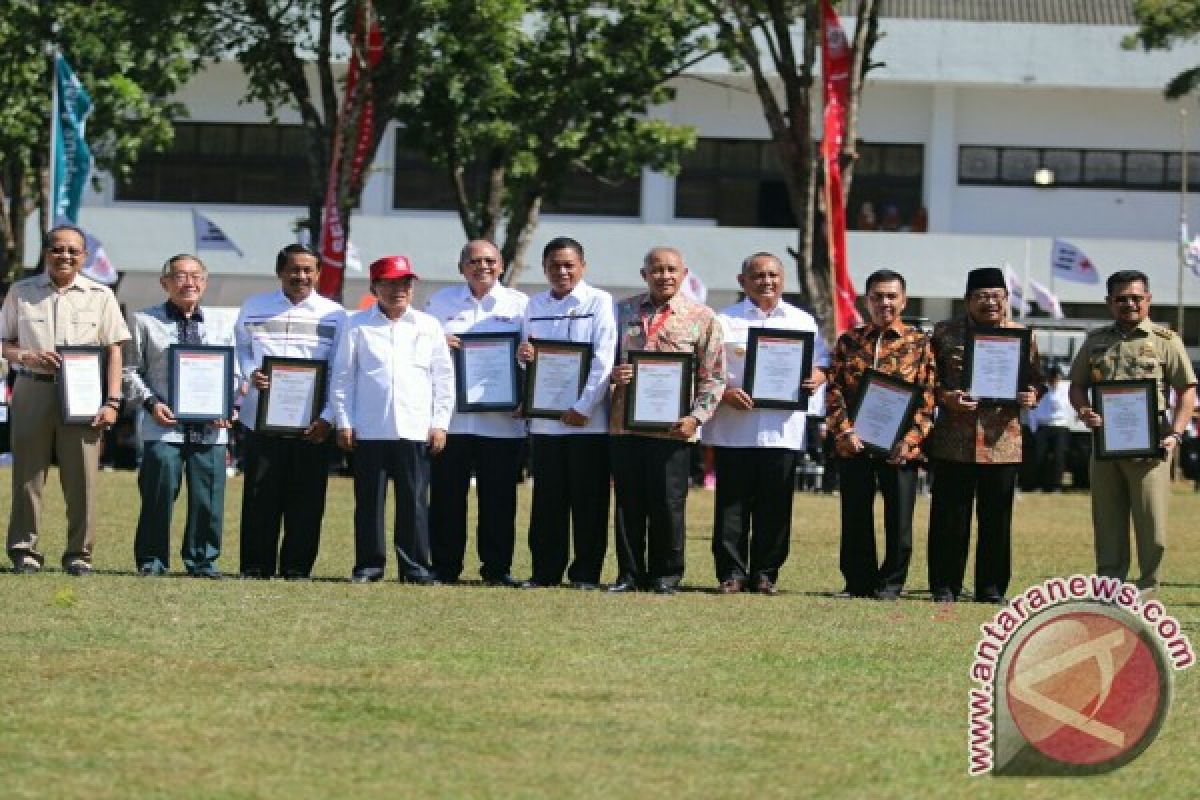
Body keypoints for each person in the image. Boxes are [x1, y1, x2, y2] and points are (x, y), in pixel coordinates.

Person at [1, 224, 130, 575]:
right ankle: (23, 551)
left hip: (85, 396)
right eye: (58, 249)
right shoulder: (21, 292)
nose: (65, 256)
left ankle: (78, 554)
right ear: (46, 253)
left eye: (73, 250)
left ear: (84, 256)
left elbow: (115, 349)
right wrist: (28, 357)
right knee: (27, 475)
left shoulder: (100, 296)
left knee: (83, 479)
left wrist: (113, 401)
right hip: (32, 388)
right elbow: (4, 344)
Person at [701, 252, 825, 595]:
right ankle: (731, 573)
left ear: (783, 279)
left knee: (775, 507)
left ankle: (766, 574)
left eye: (772, 275)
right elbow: (706, 367)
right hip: (733, 428)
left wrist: (816, 377)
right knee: (731, 506)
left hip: (781, 429)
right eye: (757, 276)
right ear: (742, 282)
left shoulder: (803, 321)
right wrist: (725, 391)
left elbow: (822, 363)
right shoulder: (723, 320)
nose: (766, 281)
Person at [1068, 270, 1197, 591]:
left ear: (1148, 300)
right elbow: (1077, 385)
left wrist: (1176, 433)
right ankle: (1110, 587)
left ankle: (1147, 586)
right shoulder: (1095, 341)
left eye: (1136, 298)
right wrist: (1084, 411)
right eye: (1121, 298)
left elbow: (1187, 391)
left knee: (1152, 524)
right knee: (1107, 521)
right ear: (1109, 302)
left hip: (1152, 444)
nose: (1129, 304)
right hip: (1105, 444)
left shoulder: (1167, 342)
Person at [609, 246, 725, 595]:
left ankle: (666, 575)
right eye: (656, 270)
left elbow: (714, 377)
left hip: (674, 429)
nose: (665, 276)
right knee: (628, 503)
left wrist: (696, 417)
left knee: (668, 505)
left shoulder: (702, 318)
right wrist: (613, 375)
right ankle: (629, 574)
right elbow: (601, 363)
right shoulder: (622, 311)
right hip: (625, 425)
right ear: (644, 275)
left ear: (684, 273)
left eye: (672, 270)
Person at [332, 256, 454, 584]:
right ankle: (369, 566)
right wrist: (344, 421)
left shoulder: (428, 326)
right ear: (375, 287)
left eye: (404, 283)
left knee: (414, 501)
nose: (398, 290)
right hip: (370, 427)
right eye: (389, 283)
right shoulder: (355, 324)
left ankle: (414, 567)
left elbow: (443, 378)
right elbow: (342, 377)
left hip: (415, 428)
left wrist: (440, 422)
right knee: (369, 503)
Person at [926, 267, 1042, 603]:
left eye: (996, 296)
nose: (989, 303)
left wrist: (1032, 395)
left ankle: (991, 589)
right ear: (967, 300)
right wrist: (947, 397)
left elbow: (1036, 380)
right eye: (981, 296)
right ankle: (944, 586)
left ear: (1006, 300)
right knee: (950, 517)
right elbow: (928, 381)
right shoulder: (944, 334)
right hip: (954, 439)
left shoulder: (1023, 336)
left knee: (996, 520)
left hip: (1002, 442)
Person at [234, 243, 346, 580]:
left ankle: (297, 568)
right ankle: (255, 566)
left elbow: (340, 369)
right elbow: (239, 351)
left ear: (317, 273)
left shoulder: (335, 314)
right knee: (259, 495)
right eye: (294, 269)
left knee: (308, 499)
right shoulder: (254, 307)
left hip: (312, 425)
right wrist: (249, 373)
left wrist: (328, 416)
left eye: (307, 269)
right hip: (261, 420)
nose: (301, 276)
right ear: (280, 271)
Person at [123, 254, 235, 578]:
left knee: (208, 498)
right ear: (165, 282)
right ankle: (152, 560)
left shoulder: (221, 323)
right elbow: (130, 371)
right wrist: (150, 404)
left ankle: (202, 561)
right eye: (180, 276)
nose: (189, 282)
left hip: (211, 428)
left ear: (205, 281)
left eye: (196, 276)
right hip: (163, 425)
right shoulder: (144, 321)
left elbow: (235, 374)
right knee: (158, 493)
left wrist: (227, 407)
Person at [826, 269, 934, 601]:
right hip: (855, 443)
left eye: (891, 296)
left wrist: (911, 440)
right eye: (877, 296)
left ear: (903, 300)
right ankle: (858, 582)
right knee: (855, 515)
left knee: (899, 519)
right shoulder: (850, 340)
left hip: (899, 447)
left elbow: (927, 394)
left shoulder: (919, 343)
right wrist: (843, 430)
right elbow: (834, 389)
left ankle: (890, 584)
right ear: (867, 299)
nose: (884, 302)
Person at [424, 240, 528, 586]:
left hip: (502, 423)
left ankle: (497, 570)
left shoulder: (519, 305)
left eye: (489, 260)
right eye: (473, 260)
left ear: (500, 265)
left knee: (499, 501)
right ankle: (444, 568)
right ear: (461, 267)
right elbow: (422, 352)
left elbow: (531, 359)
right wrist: (438, 340)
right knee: (446, 499)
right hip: (451, 420)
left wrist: (526, 383)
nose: (481, 266)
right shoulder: (439, 303)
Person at [517, 237, 617, 589]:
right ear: (544, 268)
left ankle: (585, 574)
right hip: (545, 424)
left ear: (582, 267)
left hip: (588, 424)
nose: (562, 271)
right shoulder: (533, 305)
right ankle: (545, 572)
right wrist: (525, 359)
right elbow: (529, 358)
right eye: (554, 265)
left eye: (569, 265)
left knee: (588, 503)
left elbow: (604, 360)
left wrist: (583, 406)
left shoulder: (600, 302)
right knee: (547, 503)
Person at [1030, 366, 1072, 492]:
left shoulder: (1067, 388)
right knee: (1039, 456)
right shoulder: (1041, 388)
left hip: (1061, 425)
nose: (1053, 380)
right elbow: (1033, 407)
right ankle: (1037, 484)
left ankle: (1056, 485)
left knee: (1059, 457)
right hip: (1043, 425)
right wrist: (1033, 427)